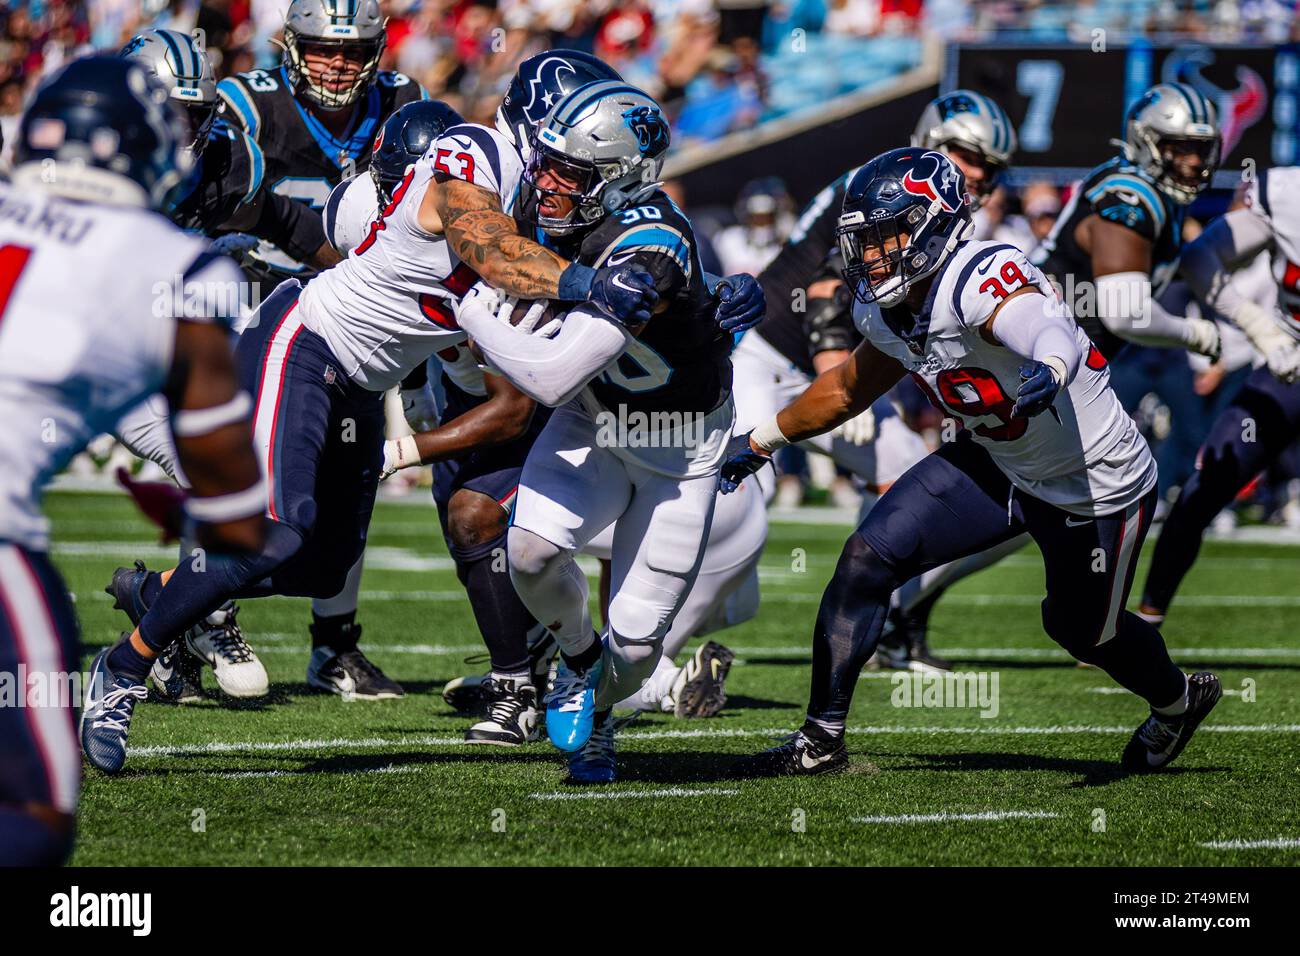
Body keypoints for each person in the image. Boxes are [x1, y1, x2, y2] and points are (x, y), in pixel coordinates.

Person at [720, 147, 1221, 777]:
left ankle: (1175, 703)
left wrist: (1051, 366)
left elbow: (1044, 327)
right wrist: (762, 438)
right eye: (863, 241)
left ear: (934, 224)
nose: (872, 256)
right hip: (997, 460)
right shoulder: (881, 309)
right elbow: (847, 389)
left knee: (1083, 631)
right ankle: (820, 742)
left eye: (887, 236)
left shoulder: (981, 273)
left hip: (1091, 480)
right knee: (866, 559)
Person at [1, 58, 266, 852]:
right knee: (35, 818)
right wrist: (199, 524)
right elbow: (231, 498)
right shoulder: (177, 265)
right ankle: (179, 619)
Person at [457, 81, 736, 782]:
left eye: (570, 173)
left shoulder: (650, 245)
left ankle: (601, 706)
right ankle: (581, 663)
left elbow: (549, 377)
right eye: (546, 163)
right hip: (597, 420)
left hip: (681, 449)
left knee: (639, 644)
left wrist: (471, 313)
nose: (546, 184)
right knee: (526, 554)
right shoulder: (557, 208)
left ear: (621, 177)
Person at [1138, 167, 1300, 625]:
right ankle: (1144, 624)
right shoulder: (1285, 193)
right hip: (1289, 366)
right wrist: (1257, 325)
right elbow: (1200, 257)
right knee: (1203, 487)